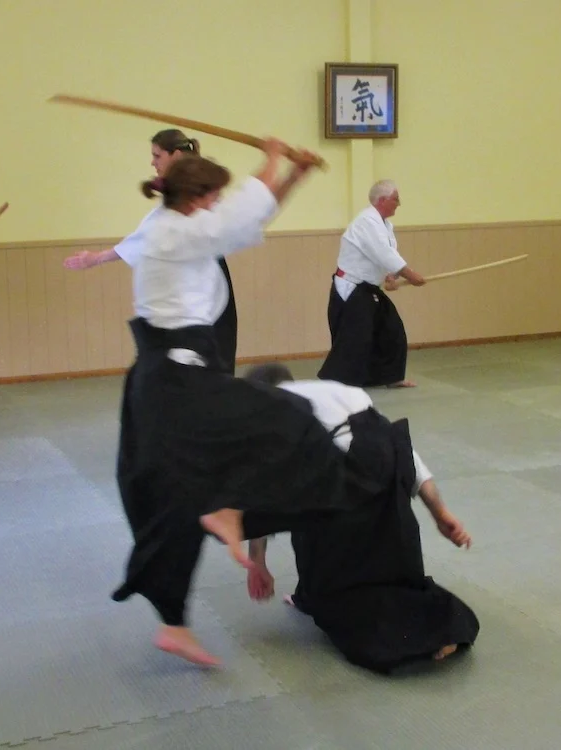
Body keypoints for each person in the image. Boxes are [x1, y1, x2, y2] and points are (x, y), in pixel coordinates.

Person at [111, 140, 356, 668]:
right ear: (199, 198)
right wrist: (272, 158)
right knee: (291, 420)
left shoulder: (185, 227)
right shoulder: (172, 230)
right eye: (215, 196)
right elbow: (242, 210)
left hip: (168, 378)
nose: (221, 204)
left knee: (174, 502)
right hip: (177, 380)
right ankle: (226, 509)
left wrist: (295, 176)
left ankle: (177, 621)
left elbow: (245, 220)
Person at [243, 363, 480, 674]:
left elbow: (262, 494)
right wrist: (440, 512)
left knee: (336, 579)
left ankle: (405, 637)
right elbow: (402, 448)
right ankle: (446, 627)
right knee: (394, 565)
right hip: (388, 466)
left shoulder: (268, 406)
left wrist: (257, 563)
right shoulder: (337, 391)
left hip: (348, 474)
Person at [63, 129, 239, 373]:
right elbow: (146, 238)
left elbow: (148, 237)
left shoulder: (191, 190)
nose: (153, 162)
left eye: (157, 156)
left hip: (202, 274)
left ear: (175, 155)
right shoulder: (178, 195)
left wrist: (99, 258)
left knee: (208, 346)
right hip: (191, 274)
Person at [316, 180, 425, 388]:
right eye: (396, 199)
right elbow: (382, 253)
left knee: (392, 329)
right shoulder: (366, 221)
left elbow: (386, 255)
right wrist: (410, 275)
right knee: (355, 337)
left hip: (369, 288)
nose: (398, 204)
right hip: (352, 287)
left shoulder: (384, 224)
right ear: (382, 200)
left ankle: (389, 377)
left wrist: (392, 276)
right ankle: (335, 382)